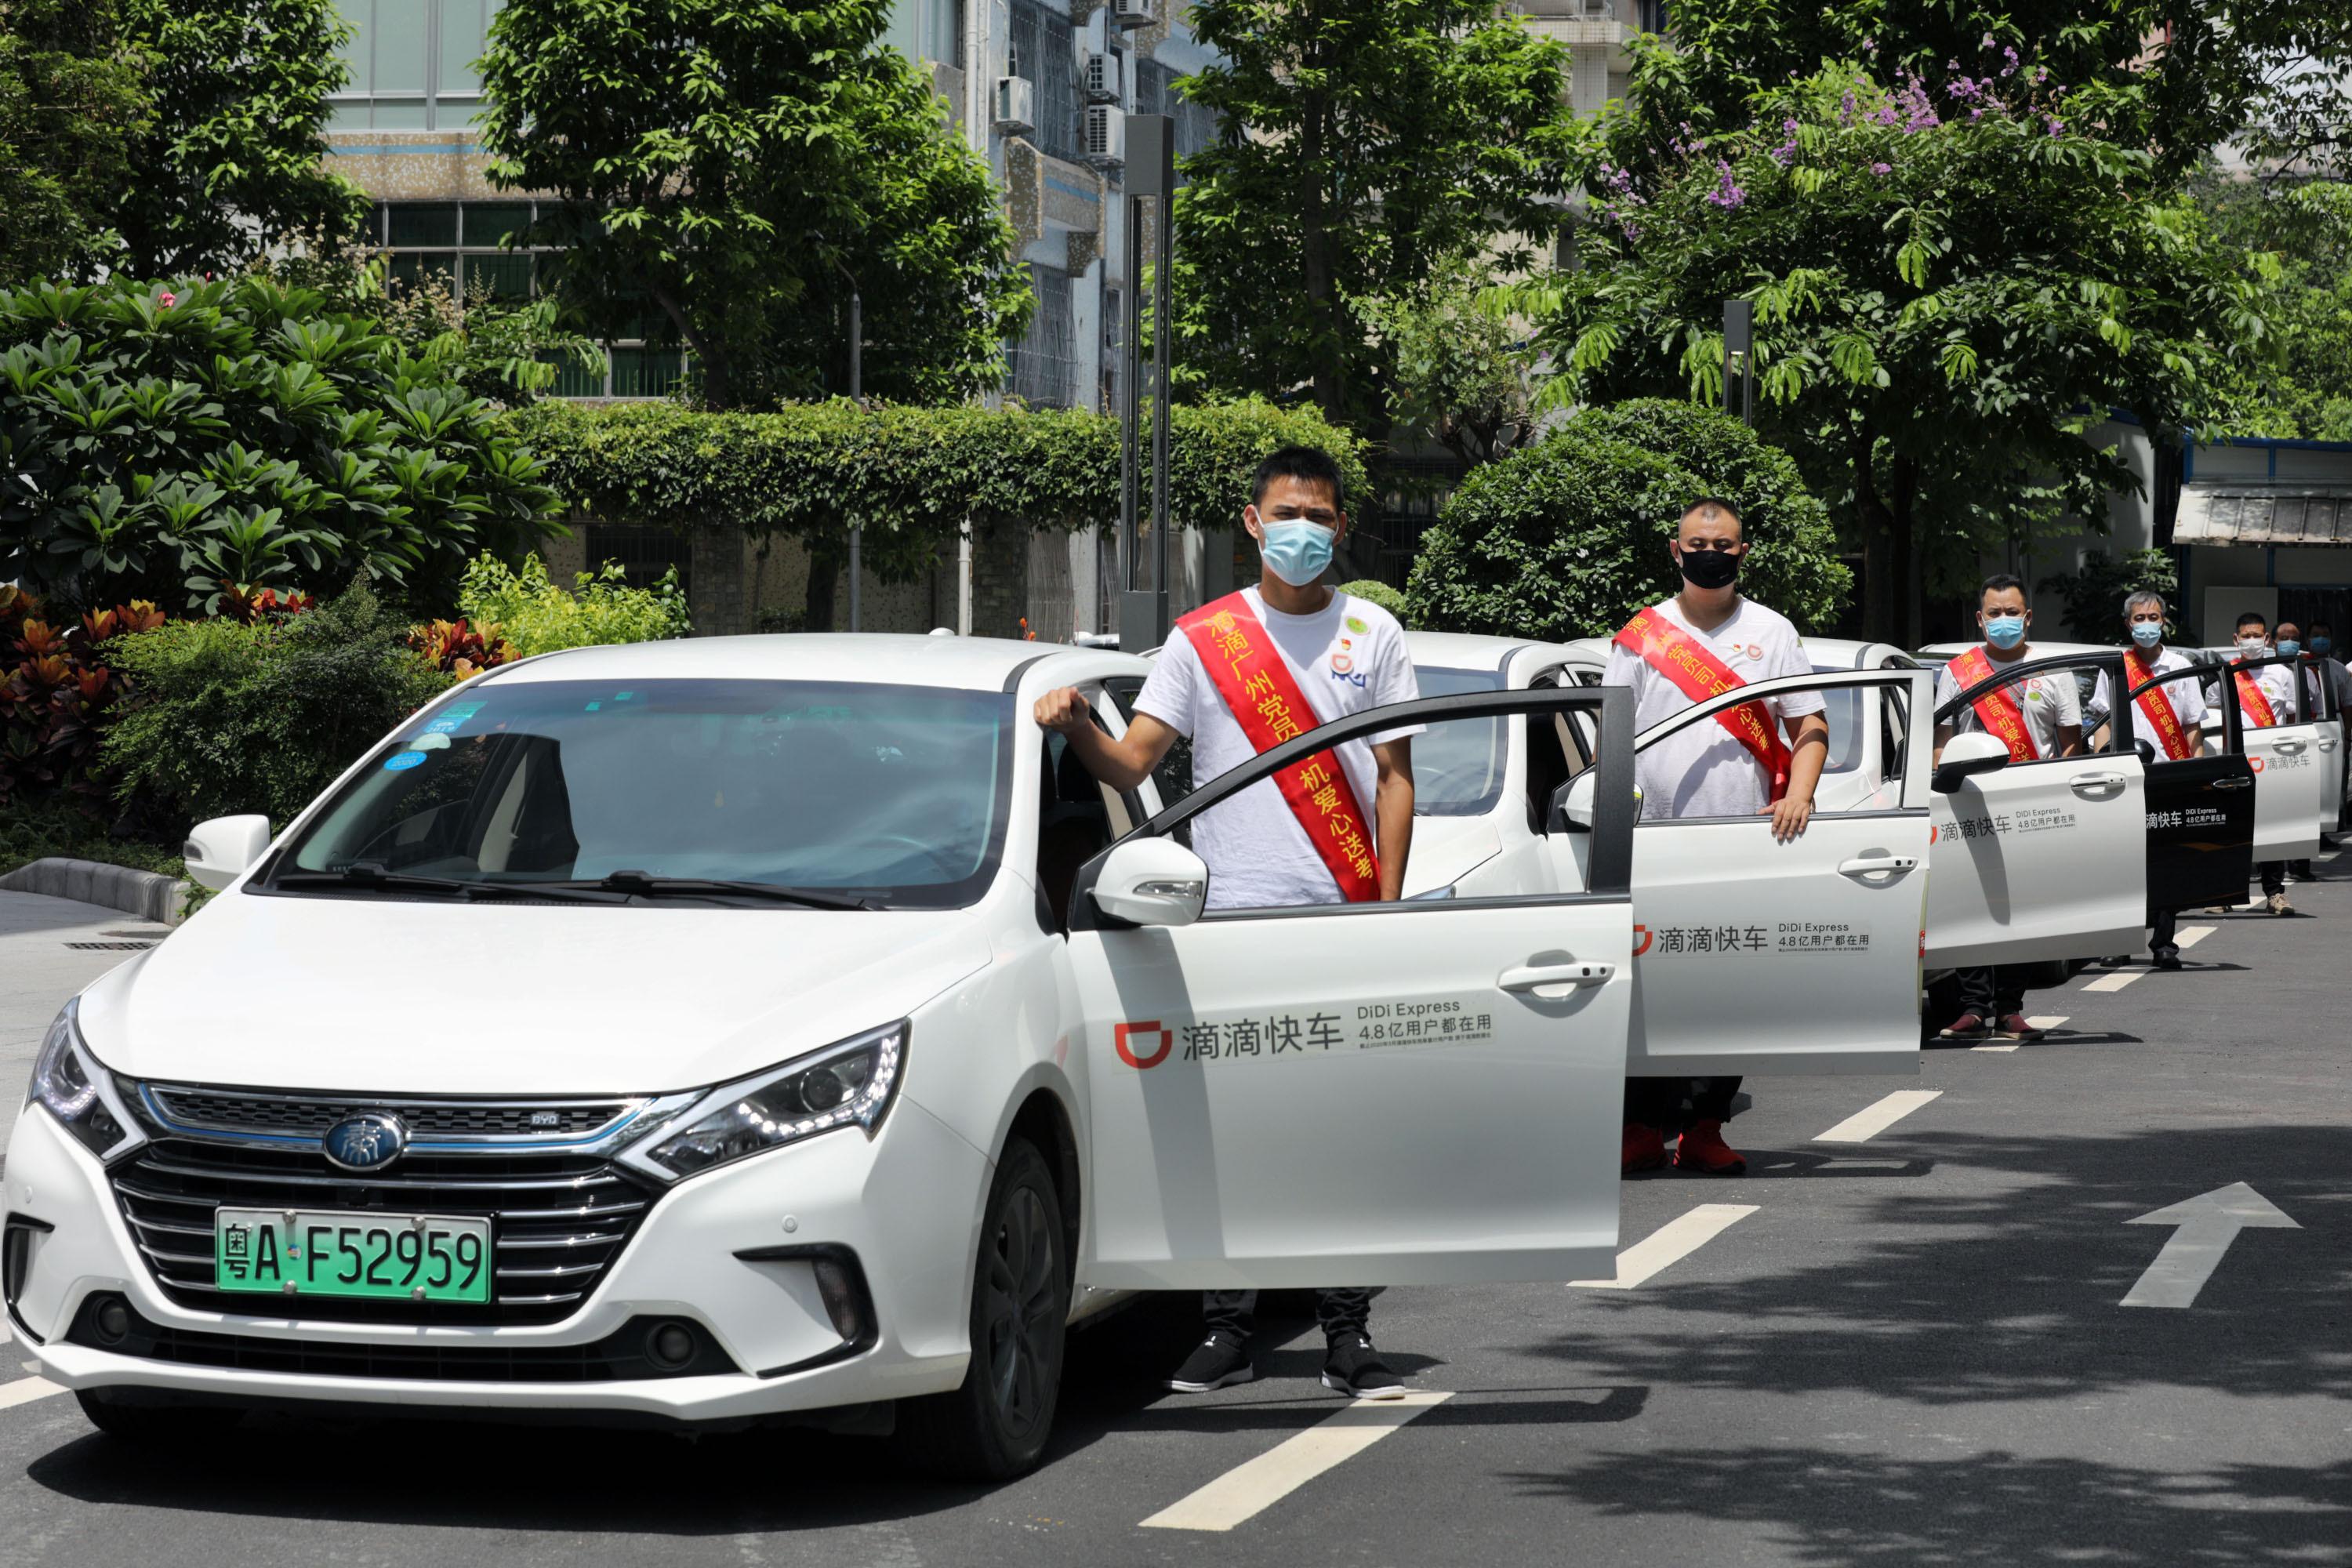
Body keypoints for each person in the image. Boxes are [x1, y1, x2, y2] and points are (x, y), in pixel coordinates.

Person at [1034, 444, 1419, 1402]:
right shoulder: (1203, 639)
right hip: (1226, 925)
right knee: (1227, 1130)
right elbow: (1130, 765)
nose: (1305, 530)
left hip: (1340, 919)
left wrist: (1386, 911)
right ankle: (1226, 1328)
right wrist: (1075, 720)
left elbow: (1396, 778)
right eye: (1288, 512)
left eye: (1322, 517)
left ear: (1341, 526)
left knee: (1337, 1135)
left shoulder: (1373, 630)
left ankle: (1347, 1330)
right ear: (1252, 522)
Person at [1603, 497, 1831, 1178]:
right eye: (1698, 543)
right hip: (1652, 843)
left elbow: (1810, 726)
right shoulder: (1640, 638)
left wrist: (1800, 793)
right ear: (1675, 551)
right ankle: (1639, 1128)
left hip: (1743, 843)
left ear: (1743, 553)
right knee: (1643, 988)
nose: (1711, 552)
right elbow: (1612, 741)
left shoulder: (1772, 631)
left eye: (1724, 544)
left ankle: (1705, 1128)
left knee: (1727, 987)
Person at [1931, 574, 2084, 1037]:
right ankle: (1973, 1007)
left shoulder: (2054, 672)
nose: (2003, 621)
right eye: (1994, 614)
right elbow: (1940, 745)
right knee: (1970, 904)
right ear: (1980, 619)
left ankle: (2010, 1008)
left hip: (2030, 804)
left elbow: (2071, 747)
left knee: (2021, 908)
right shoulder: (1957, 672)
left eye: (2011, 613)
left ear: (2028, 617)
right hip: (1969, 803)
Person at [2087, 590, 2206, 968]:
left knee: (2167, 860)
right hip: (2125, 778)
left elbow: (2192, 728)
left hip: (2168, 776)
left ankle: (2164, 943)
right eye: (2139, 619)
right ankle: (2121, 940)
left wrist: (2195, 772)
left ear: (2164, 620)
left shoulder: (2180, 666)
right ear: (2127, 623)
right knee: (2123, 862)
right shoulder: (2117, 667)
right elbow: (2102, 725)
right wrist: (2103, 768)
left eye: (2153, 617)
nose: (2146, 625)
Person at [2224, 611, 2301, 914]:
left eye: (2258, 636)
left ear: (2267, 638)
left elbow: (2294, 719)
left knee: (2273, 828)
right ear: (2236, 639)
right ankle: (2226, 893)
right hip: (2238, 761)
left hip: (2273, 762)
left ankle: (2275, 893)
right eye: (2247, 636)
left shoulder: (2281, 673)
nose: (2252, 641)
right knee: (2234, 830)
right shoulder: (2226, 673)